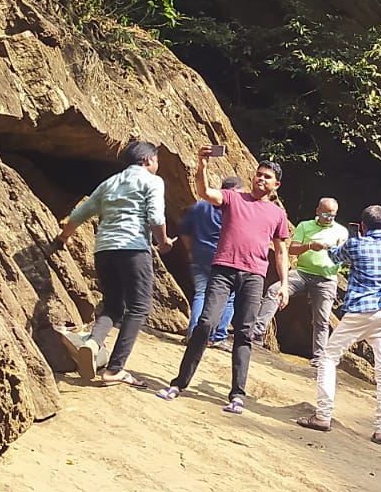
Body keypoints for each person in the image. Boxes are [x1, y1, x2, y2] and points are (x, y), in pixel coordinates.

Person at [156, 148, 291, 414]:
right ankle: (179, 383)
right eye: (258, 175)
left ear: (276, 185)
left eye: (266, 177)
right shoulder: (233, 198)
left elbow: (282, 250)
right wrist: (202, 165)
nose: (260, 179)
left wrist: (284, 284)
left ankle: (237, 395)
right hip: (223, 270)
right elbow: (206, 193)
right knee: (205, 323)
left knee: (244, 333)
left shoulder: (277, 215)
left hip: (254, 276)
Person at [53, 141, 174, 386]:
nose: (157, 165)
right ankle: (114, 369)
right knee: (139, 307)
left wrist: (63, 237)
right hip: (133, 249)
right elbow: (155, 216)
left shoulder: (109, 183)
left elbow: (79, 214)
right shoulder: (152, 181)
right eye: (157, 160)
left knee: (112, 306)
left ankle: (92, 343)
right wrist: (164, 243)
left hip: (104, 250)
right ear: (149, 160)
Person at [297, 205, 381, 443]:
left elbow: (334, 257)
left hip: (358, 312)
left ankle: (323, 415)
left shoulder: (355, 244)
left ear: (362, 226)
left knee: (328, 358)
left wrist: (339, 243)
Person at [253, 197, 348, 360]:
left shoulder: (341, 231)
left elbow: (345, 259)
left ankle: (319, 357)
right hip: (302, 273)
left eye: (332, 215)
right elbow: (292, 250)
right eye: (325, 214)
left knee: (322, 318)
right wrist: (310, 246)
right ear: (318, 211)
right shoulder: (305, 226)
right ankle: (256, 334)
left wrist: (339, 250)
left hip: (326, 278)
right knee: (275, 290)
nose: (328, 218)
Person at [180, 176, 243, 349]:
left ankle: (193, 333)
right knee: (228, 297)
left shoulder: (200, 206)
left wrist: (191, 249)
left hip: (200, 254)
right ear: (235, 191)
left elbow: (184, 231)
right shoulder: (233, 209)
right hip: (224, 258)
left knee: (201, 293)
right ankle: (217, 336)